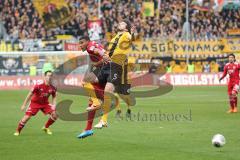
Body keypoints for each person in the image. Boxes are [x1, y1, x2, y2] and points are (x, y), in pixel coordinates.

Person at [84, 20, 136, 129]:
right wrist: (106, 56)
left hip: (117, 65)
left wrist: (133, 33)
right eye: (120, 22)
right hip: (108, 64)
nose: (119, 23)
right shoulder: (115, 36)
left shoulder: (126, 34)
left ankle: (104, 120)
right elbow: (111, 50)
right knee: (87, 80)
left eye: (122, 23)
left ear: (126, 28)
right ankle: (97, 101)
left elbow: (132, 40)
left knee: (108, 91)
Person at [76, 36, 107, 138]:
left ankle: (100, 104)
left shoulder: (90, 48)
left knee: (86, 83)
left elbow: (105, 55)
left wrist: (96, 64)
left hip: (105, 69)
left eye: (81, 43)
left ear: (87, 42)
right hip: (103, 70)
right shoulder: (92, 46)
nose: (80, 45)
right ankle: (88, 129)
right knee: (93, 98)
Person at [14, 70, 57, 136]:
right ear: (45, 76)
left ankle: (45, 127)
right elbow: (30, 94)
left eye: (51, 76)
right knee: (27, 117)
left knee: (55, 114)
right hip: (35, 103)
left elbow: (54, 96)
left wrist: (54, 105)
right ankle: (18, 131)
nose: (50, 77)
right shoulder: (38, 85)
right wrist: (24, 105)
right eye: (48, 75)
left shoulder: (53, 87)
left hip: (45, 104)